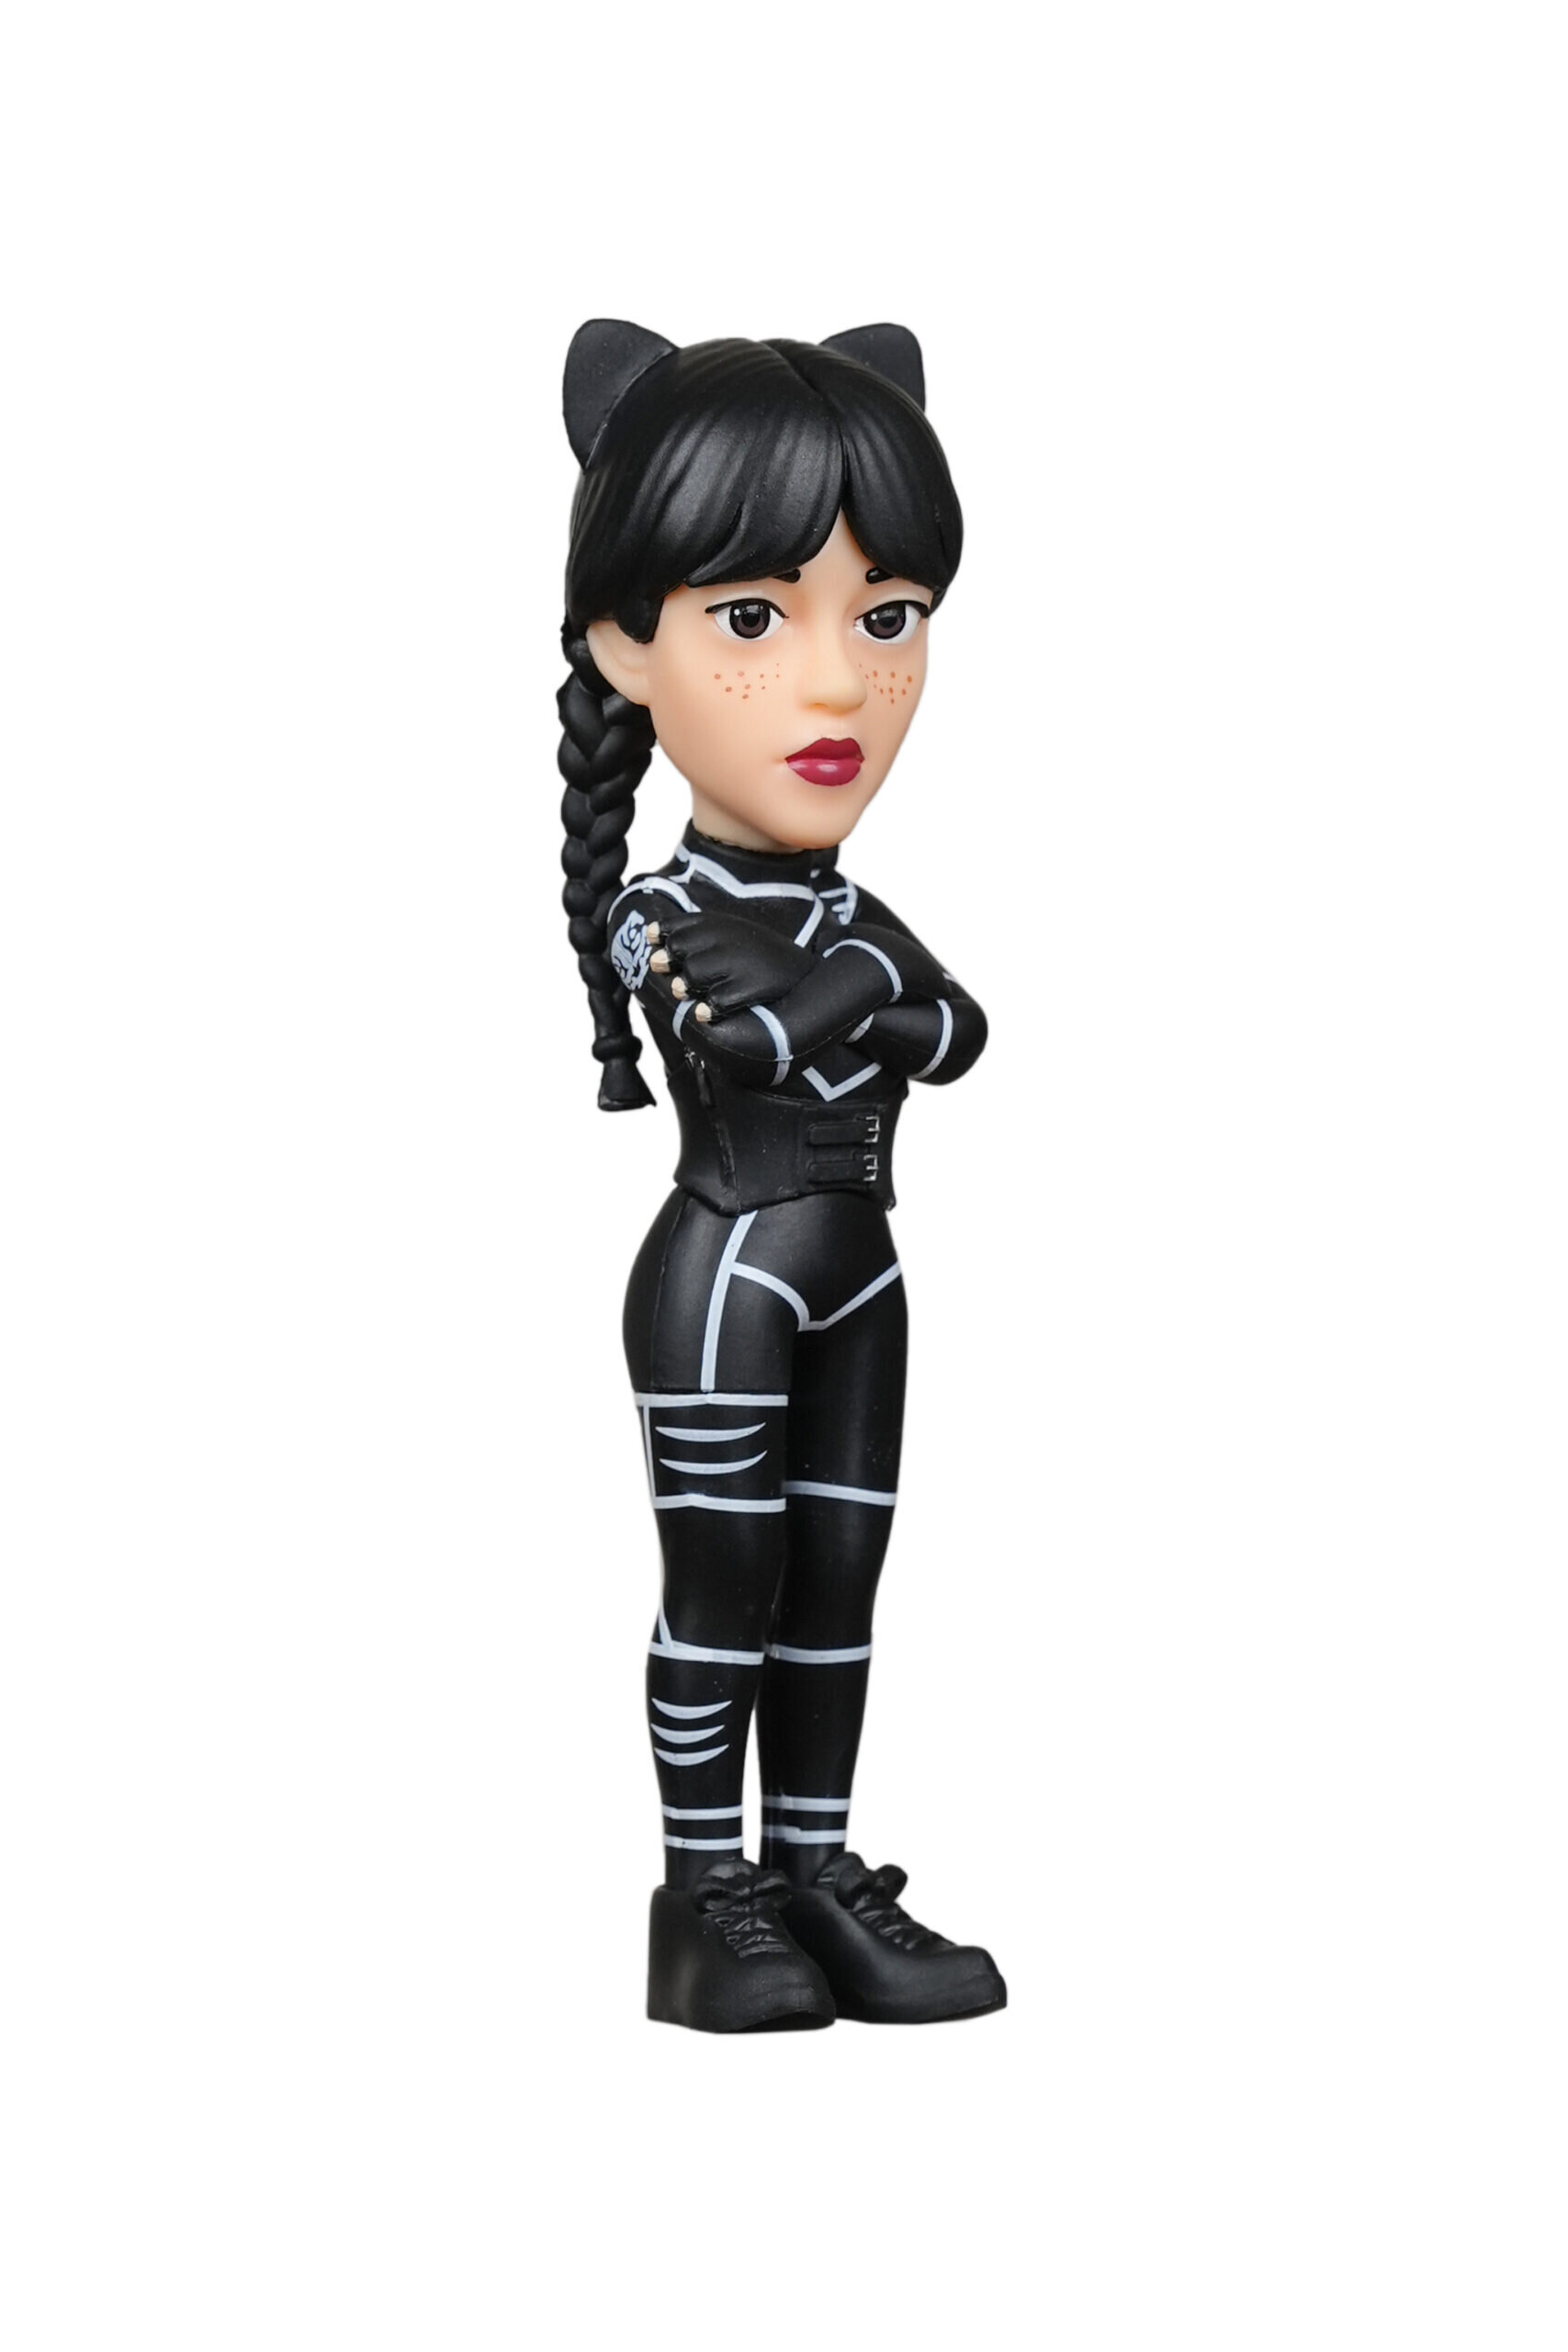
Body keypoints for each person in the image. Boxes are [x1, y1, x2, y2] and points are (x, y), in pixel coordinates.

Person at [558, 321, 1006, 2031]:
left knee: (836, 1583)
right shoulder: (658, 909)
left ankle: (813, 1868)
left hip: (859, 1277)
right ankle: (705, 1896)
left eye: (886, 618)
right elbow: (752, 1045)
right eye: (753, 617)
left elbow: (959, 1031)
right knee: (722, 1588)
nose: (837, 688)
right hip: (727, 1279)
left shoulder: (836, 912)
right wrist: (868, 990)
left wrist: (858, 988)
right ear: (626, 642)